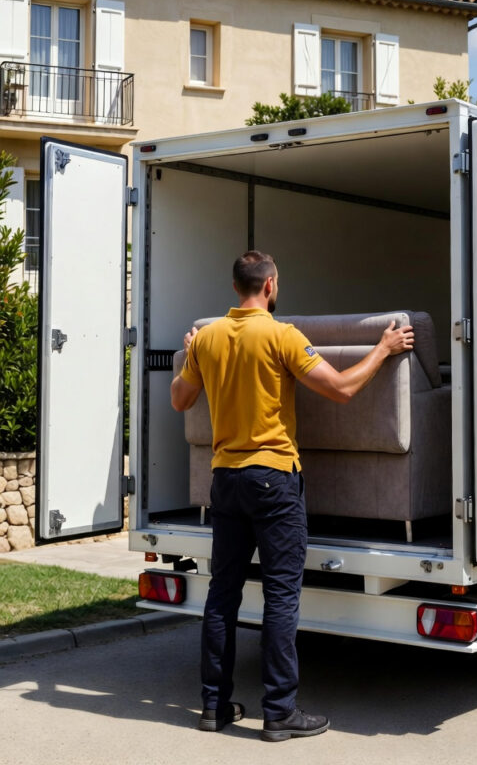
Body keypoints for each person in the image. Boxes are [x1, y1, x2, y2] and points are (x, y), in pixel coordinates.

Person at [171, 250, 414, 741]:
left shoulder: (208, 337)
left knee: (221, 598)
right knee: (281, 598)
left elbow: (180, 399)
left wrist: (193, 352)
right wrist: (384, 348)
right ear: (271, 285)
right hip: (274, 481)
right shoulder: (282, 335)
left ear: (236, 286)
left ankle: (213, 708)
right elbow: (343, 388)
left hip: (226, 482)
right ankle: (279, 713)